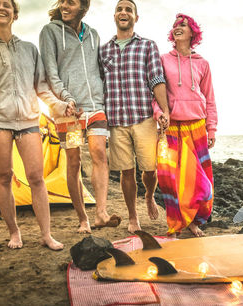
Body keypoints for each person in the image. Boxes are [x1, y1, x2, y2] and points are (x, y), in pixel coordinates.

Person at [0, 0, 64, 250]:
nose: (2, 8)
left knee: (36, 178)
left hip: (29, 120)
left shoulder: (30, 49)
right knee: (4, 176)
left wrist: (59, 105)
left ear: (14, 13)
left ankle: (46, 235)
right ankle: (14, 232)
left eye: (7, 5)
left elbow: (41, 87)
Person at [39, 0, 120, 233]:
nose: (65, 6)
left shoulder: (93, 34)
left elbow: (98, 69)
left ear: (83, 7)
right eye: (62, 1)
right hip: (68, 111)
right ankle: (83, 218)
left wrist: (104, 96)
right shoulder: (50, 32)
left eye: (71, 3)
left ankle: (101, 213)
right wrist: (65, 98)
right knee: (73, 161)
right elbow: (50, 71)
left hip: (95, 107)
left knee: (99, 153)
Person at [99, 0, 169, 233]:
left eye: (129, 9)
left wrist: (165, 111)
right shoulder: (104, 50)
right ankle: (133, 217)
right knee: (126, 171)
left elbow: (157, 80)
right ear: (114, 16)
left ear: (136, 18)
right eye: (119, 9)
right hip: (116, 121)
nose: (123, 12)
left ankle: (149, 195)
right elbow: (99, 85)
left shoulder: (148, 46)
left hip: (143, 118)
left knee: (150, 169)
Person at [152, 13, 217, 237]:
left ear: (193, 33)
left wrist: (212, 128)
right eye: (176, 25)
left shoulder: (203, 63)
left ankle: (194, 220)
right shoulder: (162, 59)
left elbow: (209, 98)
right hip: (171, 128)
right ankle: (178, 223)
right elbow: (155, 93)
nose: (178, 28)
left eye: (184, 25)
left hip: (196, 127)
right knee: (171, 179)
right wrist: (159, 112)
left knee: (201, 183)